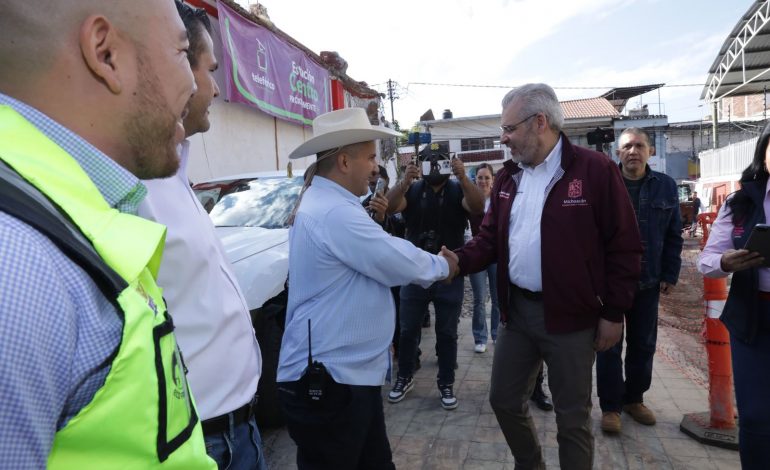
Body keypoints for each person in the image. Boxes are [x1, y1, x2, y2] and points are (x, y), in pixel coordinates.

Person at [0, 1, 216, 468]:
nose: (197, 84)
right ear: (106, 54)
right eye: (183, 52)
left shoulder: (69, 211)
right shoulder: (16, 261)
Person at [450, 83, 642, 469]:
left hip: (572, 319)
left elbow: (625, 246)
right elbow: (488, 239)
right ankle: (530, 463)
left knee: (572, 419)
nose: (503, 138)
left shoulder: (594, 170)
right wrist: (456, 261)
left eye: (509, 129)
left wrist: (613, 313)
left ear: (540, 122)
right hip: (517, 313)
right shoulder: (507, 178)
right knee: (503, 400)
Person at [276, 107, 457, 469]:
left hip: (343, 381)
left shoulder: (331, 204)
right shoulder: (333, 212)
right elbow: (393, 258)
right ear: (344, 161)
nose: (377, 167)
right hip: (331, 385)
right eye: (371, 157)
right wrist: (444, 265)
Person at [137, 3, 266, 468]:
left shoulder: (175, 170)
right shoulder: (132, 181)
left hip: (236, 427)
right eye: (209, 71)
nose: (213, 88)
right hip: (204, 441)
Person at [596, 128, 683, 434]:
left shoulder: (666, 187)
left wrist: (670, 273)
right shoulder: (605, 186)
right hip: (611, 285)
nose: (633, 151)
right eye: (627, 146)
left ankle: (634, 399)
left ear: (651, 151)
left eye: (639, 145)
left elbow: (674, 235)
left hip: (648, 283)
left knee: (643, 345)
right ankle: (611, 407)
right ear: (617, 153)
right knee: (608, 346)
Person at [386, 146, 484, 410]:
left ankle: (446, 381)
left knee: (447, 332)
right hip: (415, 272)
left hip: (447, 270)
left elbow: (477, 206)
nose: (434, 166)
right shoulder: (414, 190)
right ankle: (404, 376)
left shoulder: (456, 189)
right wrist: (405, 181)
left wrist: (464, 178)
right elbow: (391, 206)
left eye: (439, 161)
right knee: (407, 330)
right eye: (429, 161)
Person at [698, 122, 770, 469]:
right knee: (756, 416)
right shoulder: (741, 202)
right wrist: (726, 261)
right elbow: (708, 260)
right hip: (753, 319)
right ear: (764, 150)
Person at [468, 163, 500, 354]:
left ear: (493, 180)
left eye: (486, 177)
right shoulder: (470, 200)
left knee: (498, 299)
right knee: (479, 299)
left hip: (496, 255)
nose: (483, 181)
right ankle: (480, 337)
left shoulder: (499, 200)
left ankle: (496, 334)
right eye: (480, 177)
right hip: (477, 255)